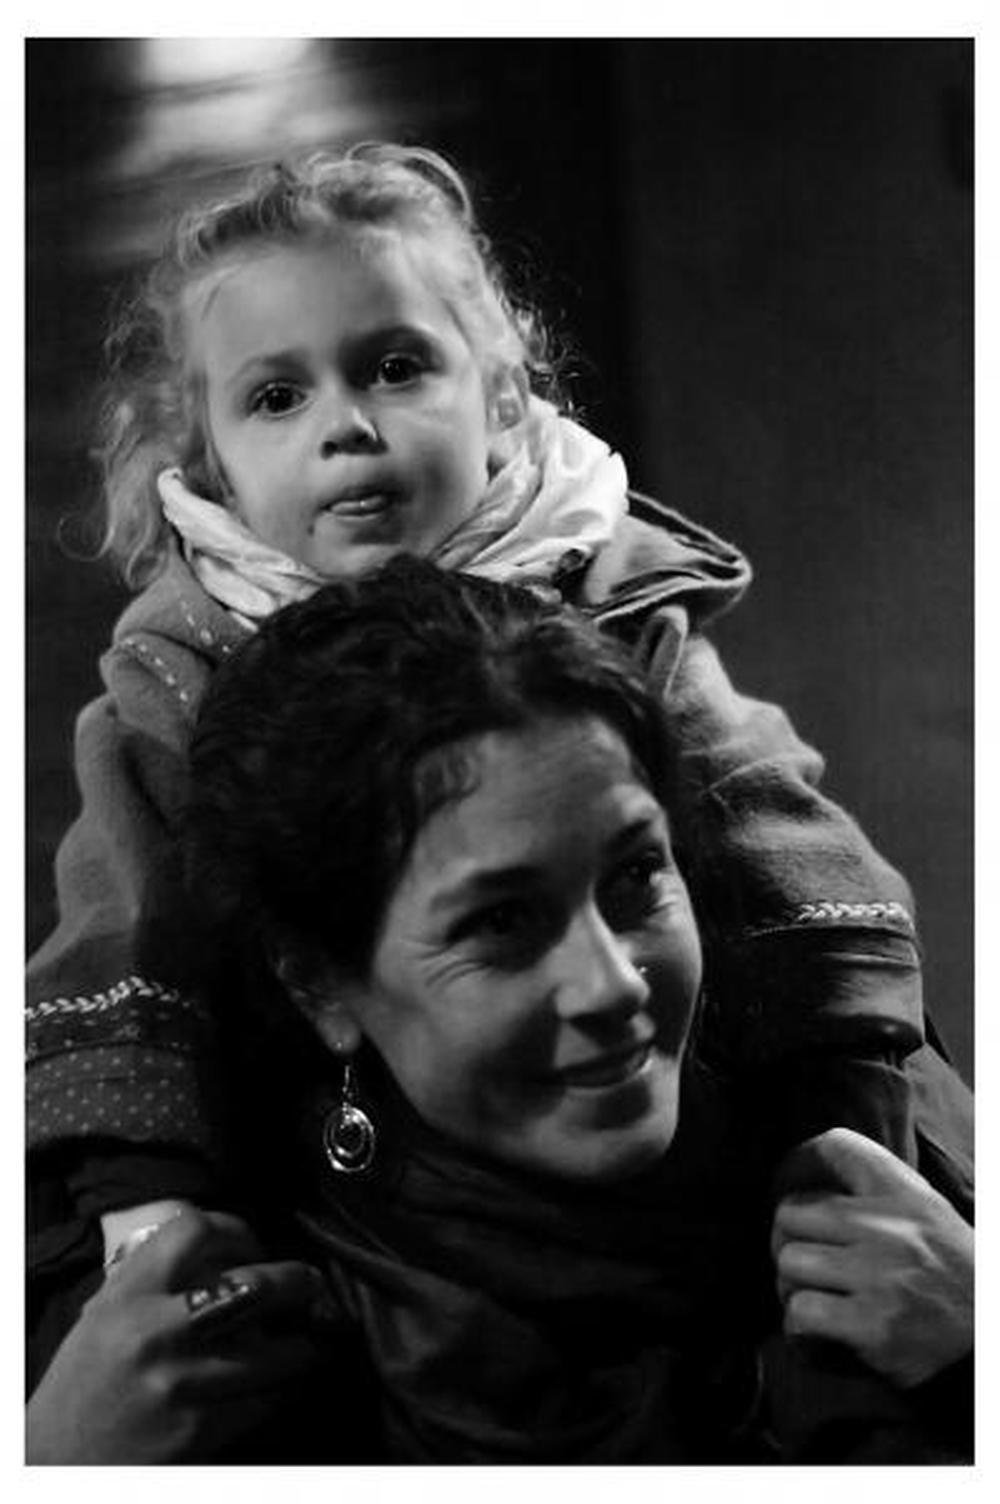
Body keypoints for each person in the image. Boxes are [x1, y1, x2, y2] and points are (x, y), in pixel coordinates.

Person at [27, 142, 957, 1342]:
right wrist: (145, 1207)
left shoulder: (602, 592)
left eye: (396, 366)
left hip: (677, 1125)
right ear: (208, 464)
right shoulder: (179, 667)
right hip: (332, 1171)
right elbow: (119, 936)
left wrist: (847, 1094)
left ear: (503, 397)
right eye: (276, 398)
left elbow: (779, 837)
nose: (346, 425)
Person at [26, 561, 972, 1463]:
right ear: (321, 987)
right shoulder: (175, 1356)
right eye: (502, 923)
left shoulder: (890, 1178)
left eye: (636, 876)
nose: (614, 985)